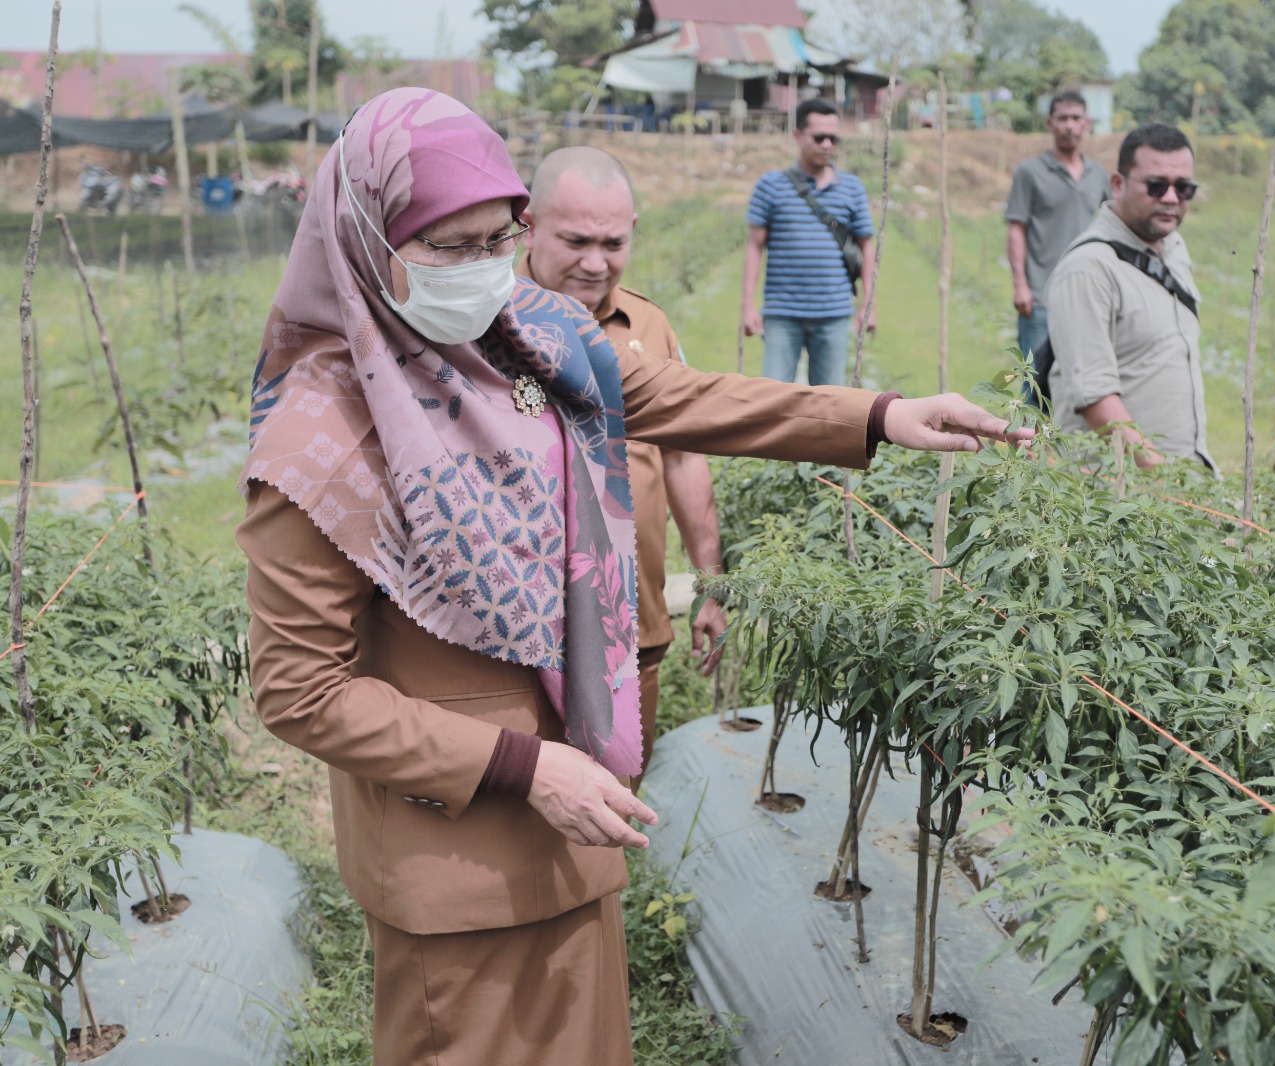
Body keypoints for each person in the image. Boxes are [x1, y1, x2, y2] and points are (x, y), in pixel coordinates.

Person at [235, 87, 1029, 1066]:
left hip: (577, 824)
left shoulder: (522, 336)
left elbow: (674, 394)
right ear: (365, 238)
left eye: (498, 238)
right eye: (448, 246)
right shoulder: (318, 442)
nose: (484, 270)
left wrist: (874, 416)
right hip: (458, 858)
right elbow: (300, 691)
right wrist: (525, 766)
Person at [518, 145, 725, 790]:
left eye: (612, 243)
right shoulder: (482, 324)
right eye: (575, 240)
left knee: (618, 787)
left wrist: (711, 580)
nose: (594, 263)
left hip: (633, 616)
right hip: (524, 626)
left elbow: (684, 454)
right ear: (528, 222)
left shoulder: (649, 326)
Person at [1046, 122, 1214, 470]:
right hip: (1118, 498)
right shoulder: (1089, 268)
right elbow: (1095, 397)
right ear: (1118, 184)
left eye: (1183, 188)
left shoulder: (1174, 249)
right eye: (1156, 186)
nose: (1170, 198)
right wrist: (1165, 478)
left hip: (1175, 490)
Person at [741, 97, 876, 386]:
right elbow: (755, 245)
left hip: (834, 314)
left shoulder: (852, 188)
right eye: (819, 137)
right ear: (797, 135)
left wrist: (868, 304)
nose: (827, 144)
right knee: (775, 398)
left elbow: (866, 246)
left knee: (829, 404)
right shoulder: (770, 185)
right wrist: (748, 306)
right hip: (781, 313)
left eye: (833, 138)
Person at [1004, 89, 1113, 408]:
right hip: (1040, 297)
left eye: (1076, 118)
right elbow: (1016, 229)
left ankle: (1063, 456)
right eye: (1063, 118)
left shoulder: (1098, 175)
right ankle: (1025, 454)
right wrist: (1020, 284)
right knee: (1035, 387)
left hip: (1086, 295)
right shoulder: (1030, 172)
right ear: (1049, 123)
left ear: (1087, 124)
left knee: (1084, 382)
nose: (1070, 125)